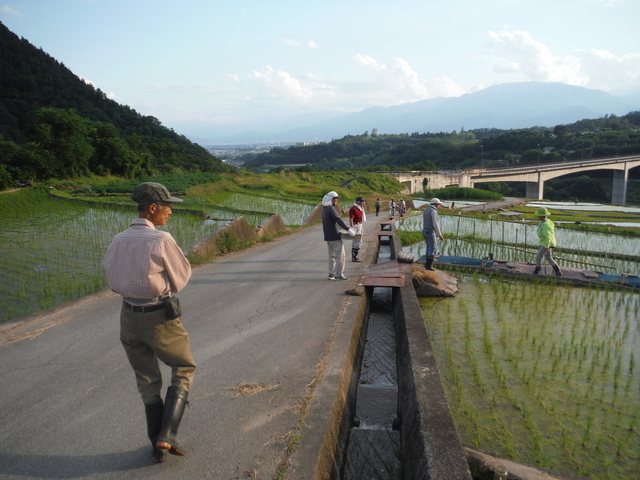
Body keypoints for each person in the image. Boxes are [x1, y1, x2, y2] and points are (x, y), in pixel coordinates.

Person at [103, 182, 196, 463]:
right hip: (159, 316)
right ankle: (167, 435)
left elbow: (111, 277)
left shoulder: (118, 239)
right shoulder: (161, 240)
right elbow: (181, 277)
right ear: (152, 208)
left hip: (128, 317)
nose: (170, 211)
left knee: (146, 380)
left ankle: (157, 446)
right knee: (183, 366)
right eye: (166, 206)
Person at [322, 191, 354, 280]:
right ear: (331, 199)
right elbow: (338, 220)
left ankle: (331, 274)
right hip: (335, 236)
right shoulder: (331, 209)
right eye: (336, 199)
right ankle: (339, 274)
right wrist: (348, 229)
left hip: (328, 236)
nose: (337, 201)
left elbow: (333, 221)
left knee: (331, 256)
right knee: (340, 256)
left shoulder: (324, 208)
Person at [534, 207, 562, 276]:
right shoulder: (544, 222)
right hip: (546, 242)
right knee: (548, 257)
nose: (537, 216)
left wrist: (547, 246)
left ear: (541, 216)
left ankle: (537, 271)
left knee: (538, 257)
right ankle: (557, 271)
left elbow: (548, 236)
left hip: (547, 243)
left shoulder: (546, 225)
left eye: (538, 215)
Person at [422, 197, 444, 271]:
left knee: (428, 247)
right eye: (439, 204)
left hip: (425, 230)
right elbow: (435, 224)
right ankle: (429, 266)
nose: (439, 206)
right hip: (430, 231)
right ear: (435, 204)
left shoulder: (426, 210)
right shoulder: (433, 211)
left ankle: (427, 264)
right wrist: (439, 234)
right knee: (433, 248)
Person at [349, 196, 366, 262]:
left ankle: (355, 256)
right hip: (356, 225)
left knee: (359, 241)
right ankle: (354, 257)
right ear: (358, 202)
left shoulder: (360, 208)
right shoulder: (353, 208)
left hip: (360, 224)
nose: (363, 203)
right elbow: (351, 219)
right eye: (362, 202)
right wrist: (352, 228)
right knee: (356, 241)